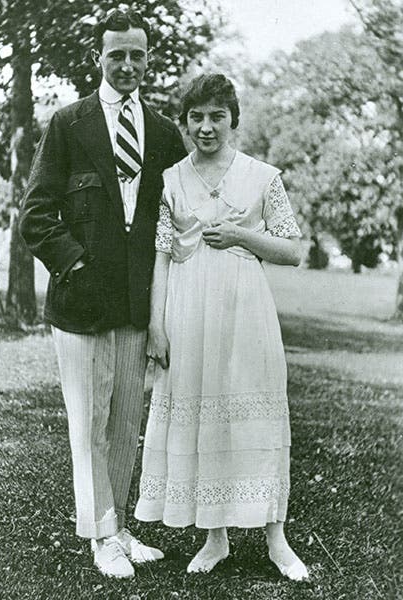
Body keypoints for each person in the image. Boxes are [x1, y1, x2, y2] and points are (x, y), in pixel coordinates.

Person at [19, 10, 187, 579]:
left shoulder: (163, 133)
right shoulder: (69, 124)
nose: (128, 65)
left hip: (138, 303)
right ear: (99, 58)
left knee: (124, 422)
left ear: (147, 58)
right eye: (117, 54)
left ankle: (117, 526)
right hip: (81, 303)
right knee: (89, 423)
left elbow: (170, 217)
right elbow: (36, 216)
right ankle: (100, 536)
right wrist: (77, 264)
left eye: (137, 55)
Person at [135, 73, 309, 581]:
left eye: (217, 117)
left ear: (233, 119)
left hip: (245, 312)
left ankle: (277, 539)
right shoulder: (171, 179)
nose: (206, 127)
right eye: (196, 118)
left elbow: (292, 250)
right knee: (204, 416)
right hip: (187, 313)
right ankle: (216, 538)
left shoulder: (261, 176)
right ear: (185, 123)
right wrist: (155, 327)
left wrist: (239, 234)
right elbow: (163, 257)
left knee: (255, 417)